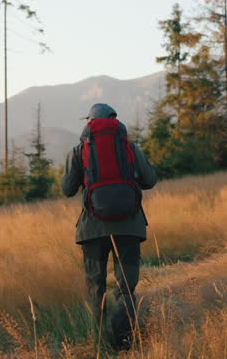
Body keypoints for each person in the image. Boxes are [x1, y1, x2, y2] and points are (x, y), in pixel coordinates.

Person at [61, 103, 157, 350]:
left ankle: (102, 343)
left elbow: (67, 189)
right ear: (115, 121)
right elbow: (150, 180)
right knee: (126, 288)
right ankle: (125, 341)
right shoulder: (130, 148)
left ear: (89, 122)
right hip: (129, 226)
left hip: (92, 230)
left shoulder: (78, 150)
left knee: (96, 287)